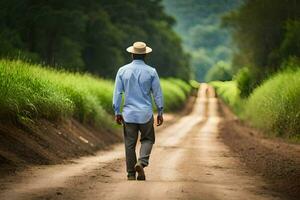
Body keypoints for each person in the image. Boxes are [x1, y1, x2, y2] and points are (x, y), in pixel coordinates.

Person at [112, 41, 164, 181]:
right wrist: (160, 111)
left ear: (132, 54)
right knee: (148, 139)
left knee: (129, 144)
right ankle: (141, 162)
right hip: (146, 114)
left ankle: (130, 174)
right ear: (145, 55)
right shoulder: (151, 71)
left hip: (129, 114)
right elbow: (157, 93)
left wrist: (117, 112)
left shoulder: (122, 71)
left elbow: (118, 93)